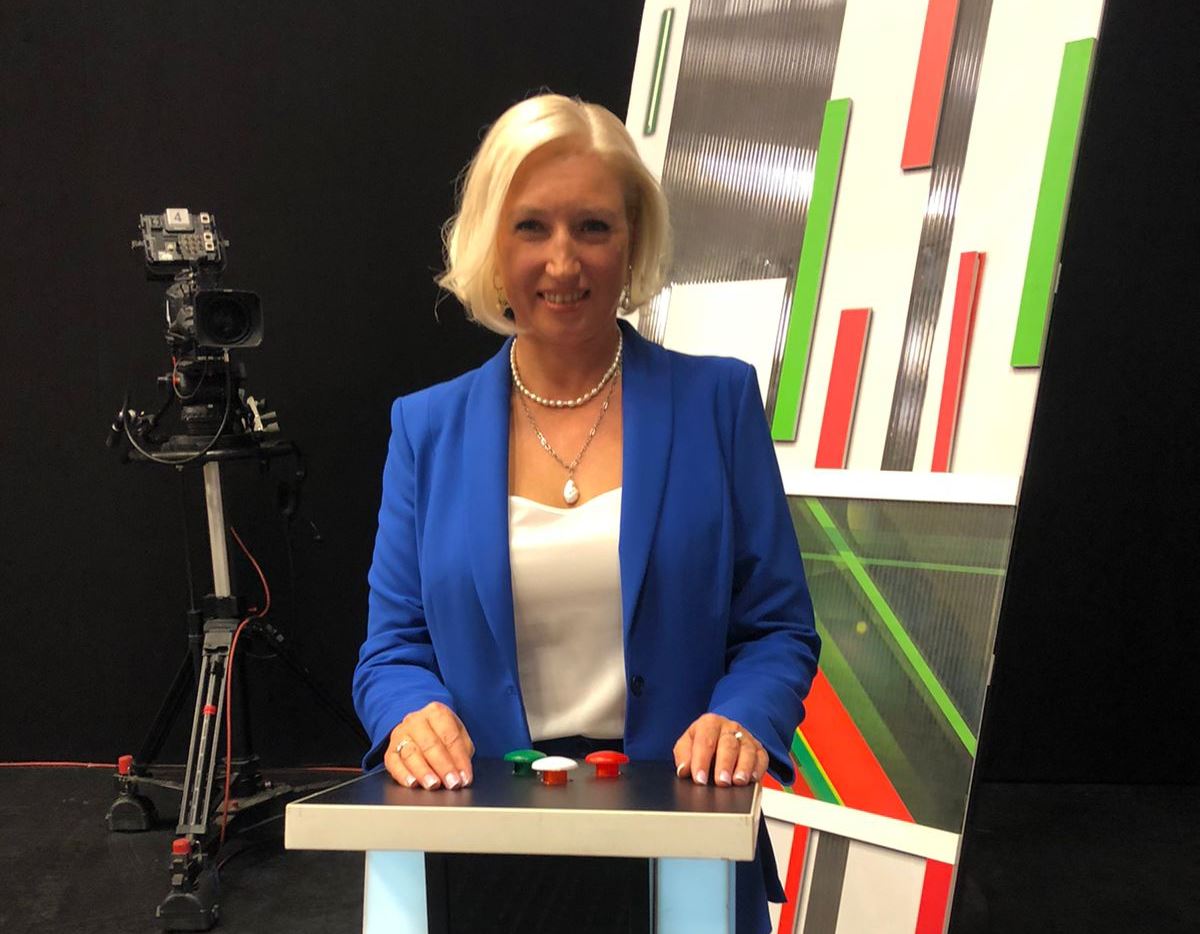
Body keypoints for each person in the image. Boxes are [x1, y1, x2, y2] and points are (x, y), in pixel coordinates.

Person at [353, 93, 819, 934]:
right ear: (492, 244)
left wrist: (743, 716)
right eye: (532, 227)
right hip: (480, 853)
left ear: (631, 241)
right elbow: (392, 649)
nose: (563, 262)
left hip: (680, 847)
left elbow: (778, 629)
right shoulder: (426, 428)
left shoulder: (718, 402)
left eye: (593, 227)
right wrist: (409, 715)